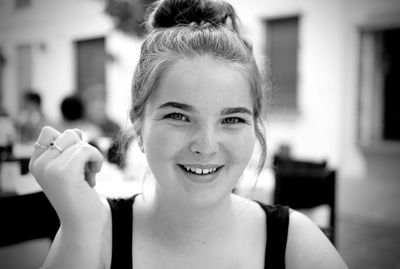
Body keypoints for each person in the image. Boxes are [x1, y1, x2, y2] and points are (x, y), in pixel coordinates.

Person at [29, 0, 349, 268]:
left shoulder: (297, 243)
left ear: (256, 125)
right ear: (138, 125)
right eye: (179, 116)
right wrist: (77, 229)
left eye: (233, 120)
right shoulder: (93, 234)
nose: (206, 146)